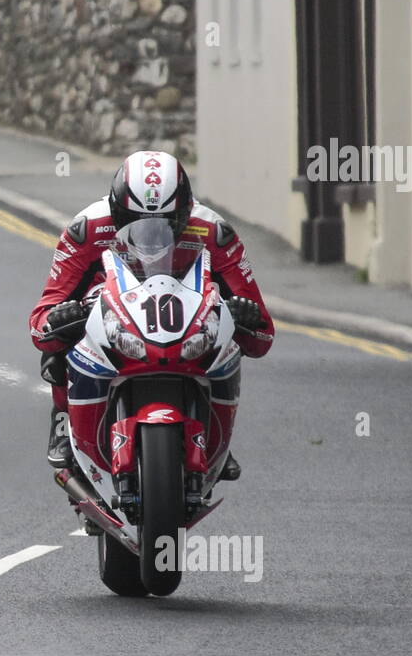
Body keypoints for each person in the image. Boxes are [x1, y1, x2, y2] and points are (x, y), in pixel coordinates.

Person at [28, 152, 274, 475]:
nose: (152, 237)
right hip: (113, 316)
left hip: (187, 322)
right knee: (61, 340)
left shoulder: (214, 233)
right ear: (117, 212)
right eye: (136, 223)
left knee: (227, 339)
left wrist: (244, 315)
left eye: (167, 225)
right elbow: (41, 319)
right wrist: (58, 320)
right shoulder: (86, 230)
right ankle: (63, 415)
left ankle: (215, 435)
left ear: (186, 211)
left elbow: (263, 334)